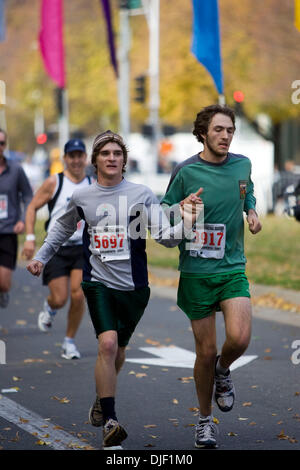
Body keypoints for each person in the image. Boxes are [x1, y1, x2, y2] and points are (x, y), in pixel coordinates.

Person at [26, 130, 203, 449]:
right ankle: (110, 421)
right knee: (106, 345)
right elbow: (60, 231)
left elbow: (165, 236)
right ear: (95, 161)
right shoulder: (83, 197)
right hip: (98, 282)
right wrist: (40, 257)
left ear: (124, 160)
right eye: (105, 153)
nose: (111, 158)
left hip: (134, 287)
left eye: (117, 153)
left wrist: (188, 221)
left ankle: (101, 396)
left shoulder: (141, 193)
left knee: (118, 350)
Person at [161, 105, 262, 449]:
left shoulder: (243, 164)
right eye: (218, 130)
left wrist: (252, 212)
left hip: (232, 267)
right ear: (203, 132)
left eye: (230, 130)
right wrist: (182, 210)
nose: (225, 136)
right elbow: (164, 211)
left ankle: (224, 370)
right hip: (196, 273)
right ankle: (205, 421)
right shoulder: (186, 171)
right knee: (204, 352)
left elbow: (246, 192)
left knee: (240, 337)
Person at [22, 139, 91, 360]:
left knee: (79, 295)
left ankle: (69, 342)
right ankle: (50, 306)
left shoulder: (93, 183)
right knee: (60, 298)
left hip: (82, 247)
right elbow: (32, 207)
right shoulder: (55, 182)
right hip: (56, 248)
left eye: (80, 155)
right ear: (65, 159)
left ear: (86, 158)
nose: (77, 160)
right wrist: (30, 238)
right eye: (72, 156)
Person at [0, 128, 33, 308]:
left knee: (4, 283)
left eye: (2, 143)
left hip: (8, 231)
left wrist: (22, 219)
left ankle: (3, 292)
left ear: (5, 145)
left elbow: (28, 196)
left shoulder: (15, 169)